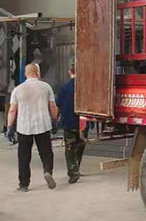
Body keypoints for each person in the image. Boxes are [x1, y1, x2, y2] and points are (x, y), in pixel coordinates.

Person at [6, 62, 58, 192]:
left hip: (24, 127)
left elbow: (12, 110)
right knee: (46, 153)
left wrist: (10, 127)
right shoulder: (46, 87)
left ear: (25, 74)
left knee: (24, 156)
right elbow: (52, 106)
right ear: (38, 73)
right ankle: (47, 171)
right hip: (43, 125)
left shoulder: (18, 89)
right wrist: (55, 120)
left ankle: (24, 184)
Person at [54, 62, 86, 184]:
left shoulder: (64, 88)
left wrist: (55, 119)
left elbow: (58, 105)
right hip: (83, 122)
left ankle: (73, 172)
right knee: (81, 144)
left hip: (69, 122)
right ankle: (77, 167)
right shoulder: (85, 87)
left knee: (70, 148)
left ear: (70, 72)